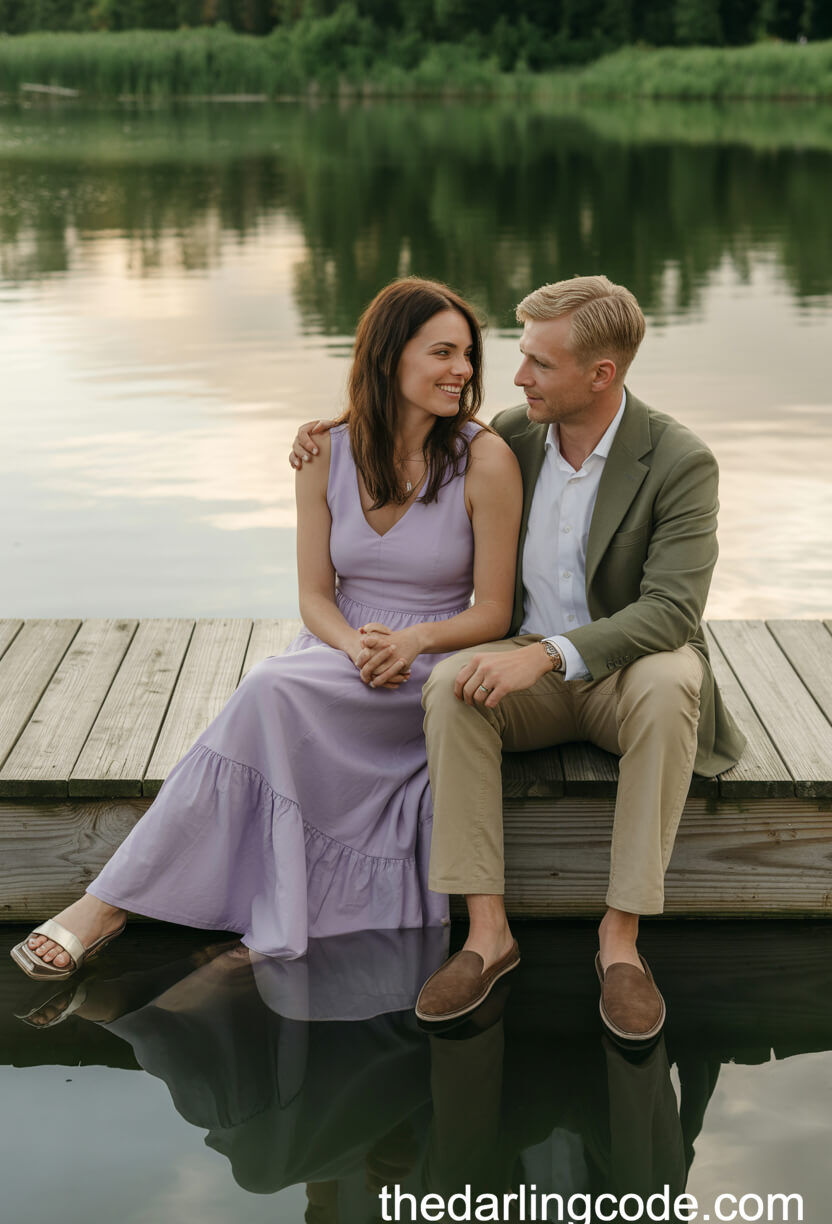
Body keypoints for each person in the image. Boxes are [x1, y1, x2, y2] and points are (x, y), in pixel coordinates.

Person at [11, 277, 522, 982]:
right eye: (442, 352)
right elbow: (314, 596)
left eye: (467, 354)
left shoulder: (484, 458)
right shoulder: (324, 452)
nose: (462, 370)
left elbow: (493, 611)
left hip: (431, 662)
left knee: (270, 690)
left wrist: (412, 643)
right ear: (389, 356)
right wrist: (354, 645)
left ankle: (110, 906)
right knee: (275, 686)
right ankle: (113, 905)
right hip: (340, 648)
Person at [290, 275, 746, 1045]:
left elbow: (671, 612)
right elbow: (410, 428)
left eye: (539, 362)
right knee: (451, 688)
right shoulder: (512, 438)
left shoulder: (680, 461)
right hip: (523, 666)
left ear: (600, 374)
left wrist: (549, 658)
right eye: (522, 355)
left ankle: (621, 942)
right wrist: (327, 430)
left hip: (628, 673)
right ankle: (487, 935)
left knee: (674, 680)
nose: (516, 375)